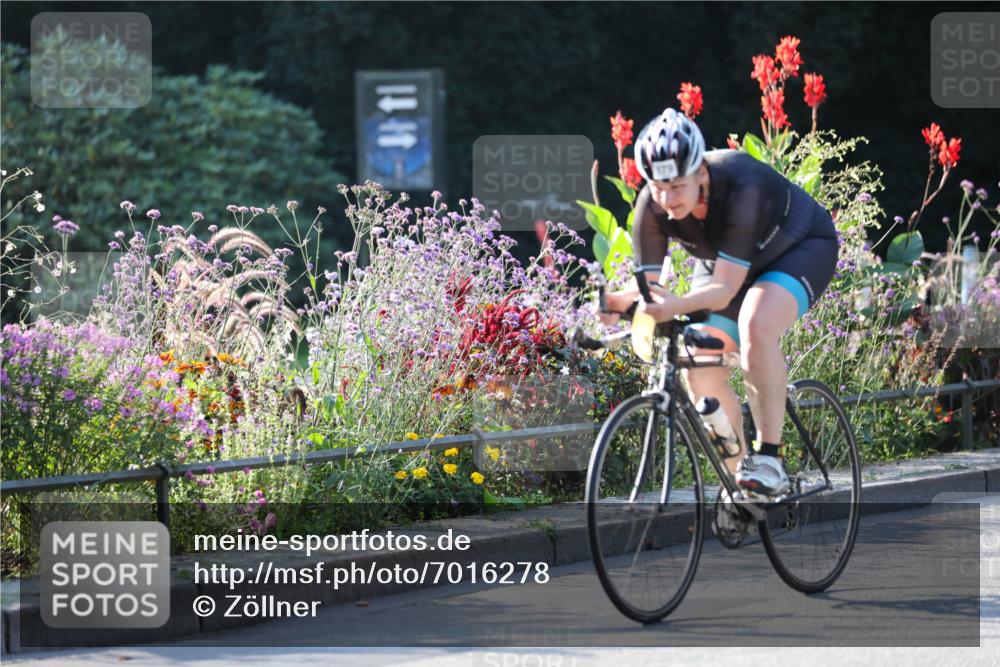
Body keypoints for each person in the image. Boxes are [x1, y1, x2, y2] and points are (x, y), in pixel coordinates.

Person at [600, 107, 839, 499]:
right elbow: (650, 285)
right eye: (656, 187)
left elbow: (726, 290)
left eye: (677, 186)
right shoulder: (654, 203)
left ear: (701, 173)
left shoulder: (743, 185)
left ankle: (770, 460)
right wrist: (619, 301)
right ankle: (742, 486)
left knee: (755, 324)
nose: (665, 198)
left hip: (797, 249)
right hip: (726, 264)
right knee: (698, 368)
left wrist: (671, 306)